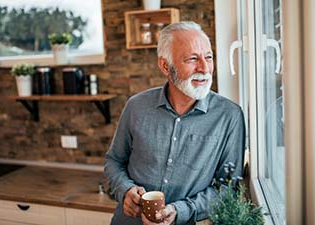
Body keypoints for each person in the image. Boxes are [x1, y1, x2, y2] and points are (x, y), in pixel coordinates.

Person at [104, 21, 246, 225]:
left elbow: (227, 189)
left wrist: (181, 210)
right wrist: (124, 190)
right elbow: (114, 161)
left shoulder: (229, 116)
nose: (205, 69)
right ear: (165, 66)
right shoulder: (136, 107)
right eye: (192, 59)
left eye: (208, 57)